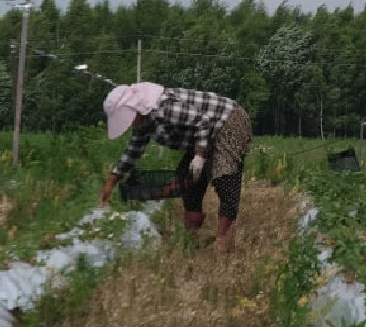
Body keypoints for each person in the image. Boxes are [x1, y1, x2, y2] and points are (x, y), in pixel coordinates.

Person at [98, 81, 254, 252]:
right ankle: (192, 232)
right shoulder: (143, 122)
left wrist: (200, 155)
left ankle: (224, 239)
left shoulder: (165, 109)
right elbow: (132, 152)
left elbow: (204, 122)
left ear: (135, 108)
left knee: (225, 176)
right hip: (204, 132)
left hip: (228, 120)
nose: (129, 123)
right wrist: (110, 184)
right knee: (187, 177)